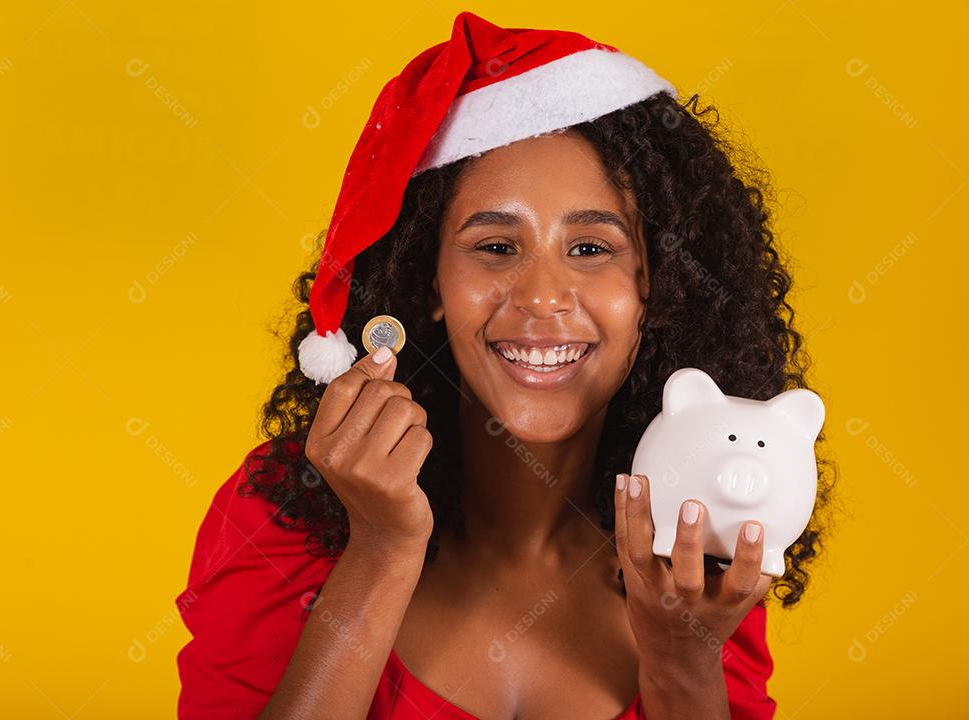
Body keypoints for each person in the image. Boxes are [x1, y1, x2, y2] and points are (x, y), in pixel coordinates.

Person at [174, 10, 833, 719]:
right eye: (495, 247)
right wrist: (379, 550)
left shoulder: (701, 553)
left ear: (654, 287)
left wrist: (683, 657)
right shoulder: (284, 521)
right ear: (429, 283)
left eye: (590, 249)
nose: (543, 297)